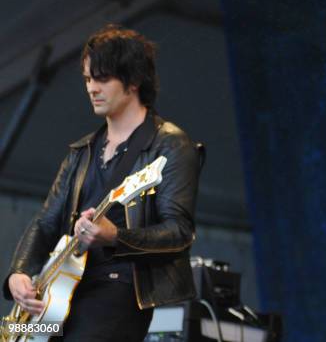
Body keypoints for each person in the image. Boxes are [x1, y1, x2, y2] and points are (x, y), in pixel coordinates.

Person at [3, 25, 201, 341]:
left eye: (102, 78)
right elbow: (46, 221)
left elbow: (179, 233)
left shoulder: (170, 145)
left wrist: (115, 237)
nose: (92, 88)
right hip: (60, 290)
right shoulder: (82, 151)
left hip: (117, 291)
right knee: (6, 333)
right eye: (87, 79)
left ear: (134, 80)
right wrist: (18, 273)